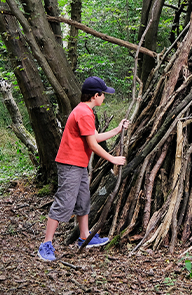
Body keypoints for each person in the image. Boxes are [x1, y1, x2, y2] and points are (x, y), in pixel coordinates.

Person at [37, 76, 128, 262]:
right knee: (64, 202)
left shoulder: (86, 111)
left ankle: (84, 236)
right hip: (70, 164)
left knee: (83, 200)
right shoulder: (84, 113)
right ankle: (46, 244)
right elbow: (93, 145)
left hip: (78, 163)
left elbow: (95, 137)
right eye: (103, 95)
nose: (104, 98)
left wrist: (117, 130)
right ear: (95, 95)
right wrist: (113, 159)